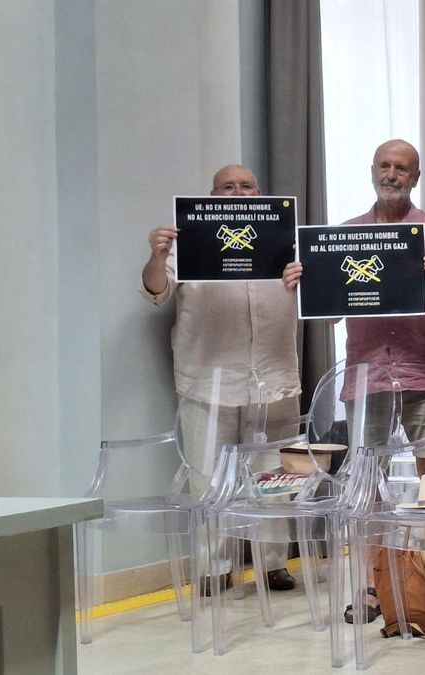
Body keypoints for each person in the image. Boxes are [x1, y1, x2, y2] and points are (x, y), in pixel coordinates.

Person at [284, 139, 425, 622]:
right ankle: (372, 584)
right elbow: (327, 319)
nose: (392, 174)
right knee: (366, 483)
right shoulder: (346, 235)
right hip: (368, 376)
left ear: (416, 177)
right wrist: (307, 287)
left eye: (403, 168)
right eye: (385, 166)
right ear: (373, 171)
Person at [142, 164, 300, 592]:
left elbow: (320, 295)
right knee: (206, 477)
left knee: (275, 476)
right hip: (206, 377)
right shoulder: (186, 242)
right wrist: (157, 257)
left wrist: (305, 280)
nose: (238, 192)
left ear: (259, 192)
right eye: (227, 187)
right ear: (212, 196)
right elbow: (157, 292)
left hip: (273, 375)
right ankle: (214, 568)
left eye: (246, 186)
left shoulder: (288, 240)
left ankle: (272, 564)